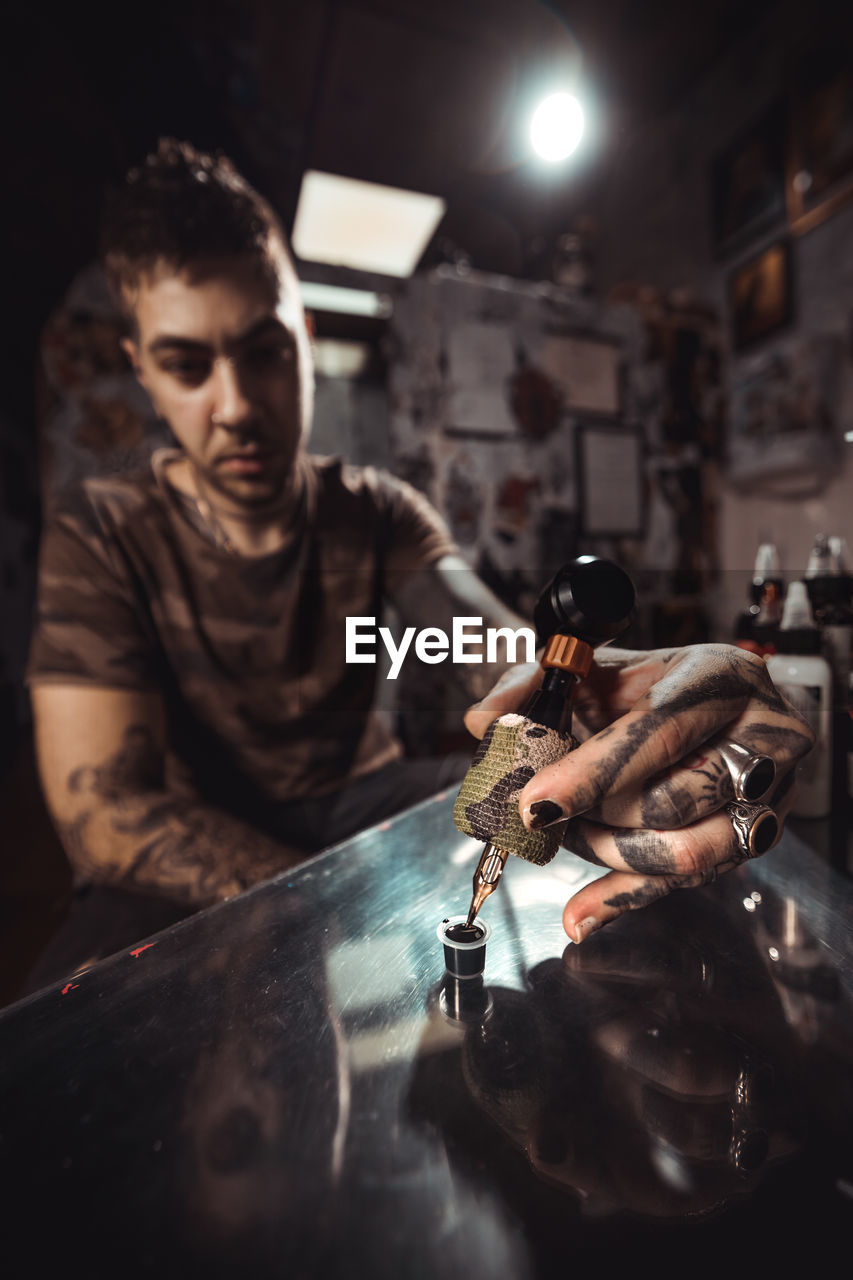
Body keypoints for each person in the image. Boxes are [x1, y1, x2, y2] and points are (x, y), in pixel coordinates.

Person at [27, 139, 814, 951]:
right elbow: (106, 810)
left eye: (264, 352)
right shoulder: (102, 529)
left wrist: (611, 699)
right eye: (186, 366)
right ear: (140, 372)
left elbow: (488, 644)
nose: (233, 405)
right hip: (198, 828)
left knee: (546, 800)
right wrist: (326, 900)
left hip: (359, 795)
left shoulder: (376, 511)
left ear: (300, 334)